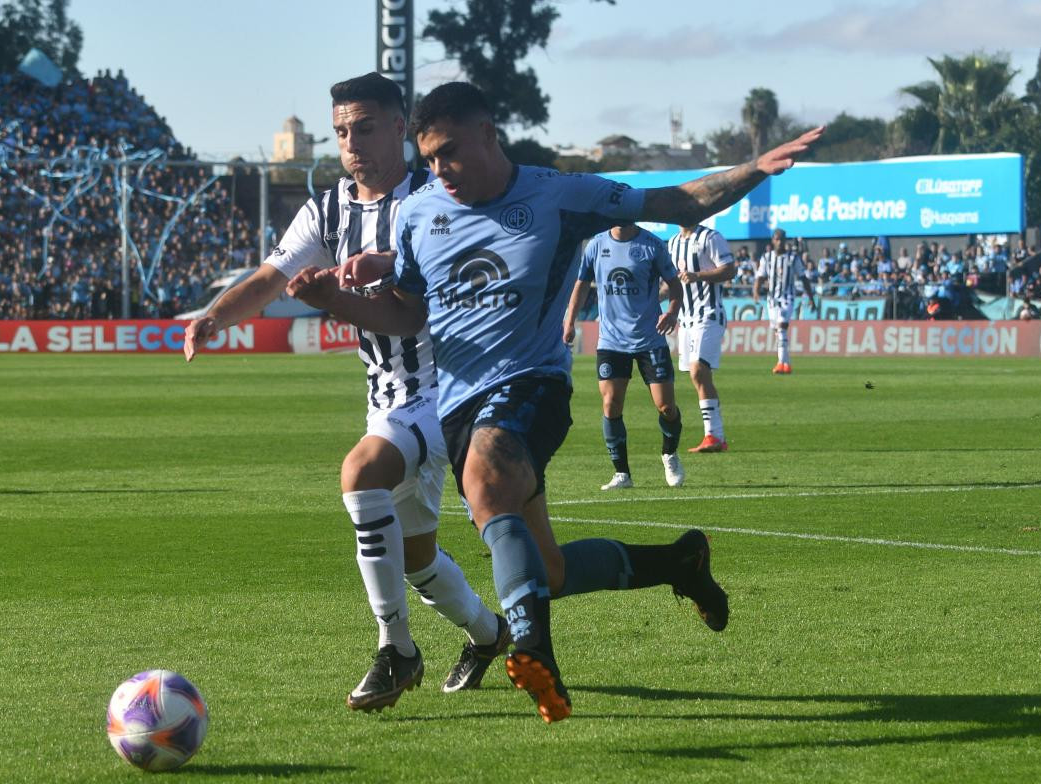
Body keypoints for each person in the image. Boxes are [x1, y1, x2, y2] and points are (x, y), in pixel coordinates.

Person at [287, 81, 821, 723]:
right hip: (459, 407)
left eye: (450, 151)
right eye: (428, 158)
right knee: (550, 570)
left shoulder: (559, 193)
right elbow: (406, 313)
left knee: (487, 477)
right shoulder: (420, 215)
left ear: (489, 133)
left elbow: (676, 201)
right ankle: (682, 561)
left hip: (532, 384)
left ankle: (533, 650)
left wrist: (753, 171)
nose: (439, 170)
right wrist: (335, 302)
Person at [183, 73, 508, 713]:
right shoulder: (327, 209)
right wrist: (214, 316)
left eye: (362, 128)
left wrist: (334, 299)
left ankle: (397, 651)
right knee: (416, 560)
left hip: (447, 391)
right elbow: (270, 276)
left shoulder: (434, 200)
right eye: (340, 132)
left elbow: (412, 316)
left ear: (398, 129)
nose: (350, 143)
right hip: (386, 396)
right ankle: (491, 633)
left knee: (360, 474)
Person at [562, 222, 686, 490]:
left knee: (666, 406)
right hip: (611, 341)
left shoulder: (651, 245)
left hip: (650, 338)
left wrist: (672, 312)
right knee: (611, 404)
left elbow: (676, 286)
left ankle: (669, 453)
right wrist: (570, 321)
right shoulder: (596, 245)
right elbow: (581, 285)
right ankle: (622, 474)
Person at [666, 223, 736, 453]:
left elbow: (729, 270)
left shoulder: (711, 237)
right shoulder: (673, 243)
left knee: (698, 370)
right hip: (686, 319)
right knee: (700, 377)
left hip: (709, 313)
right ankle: (715, 436)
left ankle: (714, 436)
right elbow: (672, 283)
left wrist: (699, 275)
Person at [754, 228, 816, 374]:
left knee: (782, 326)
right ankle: (785, 363)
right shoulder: (767, 258)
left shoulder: (793, 258)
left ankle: (781, 363)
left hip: (787, 297)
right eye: (777, 239)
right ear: (773, 240)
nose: (780, 242)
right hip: (772, 299)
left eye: (782, 239)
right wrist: (755, 291)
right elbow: (760, 276)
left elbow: (803, 277)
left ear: (785, 240)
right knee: (777, 331)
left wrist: (811, 298)